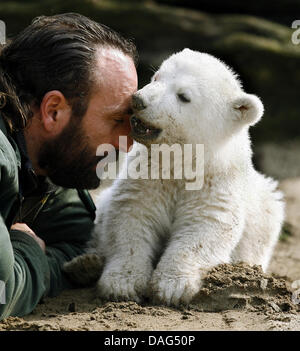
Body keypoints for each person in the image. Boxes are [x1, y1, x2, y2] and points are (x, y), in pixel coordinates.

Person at [0, 13, 138, 319]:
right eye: (117, 120)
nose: (128, 144)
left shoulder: (46, 162)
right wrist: (29, 247)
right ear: (53, 111)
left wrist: (28, 265)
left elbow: (83, 249)